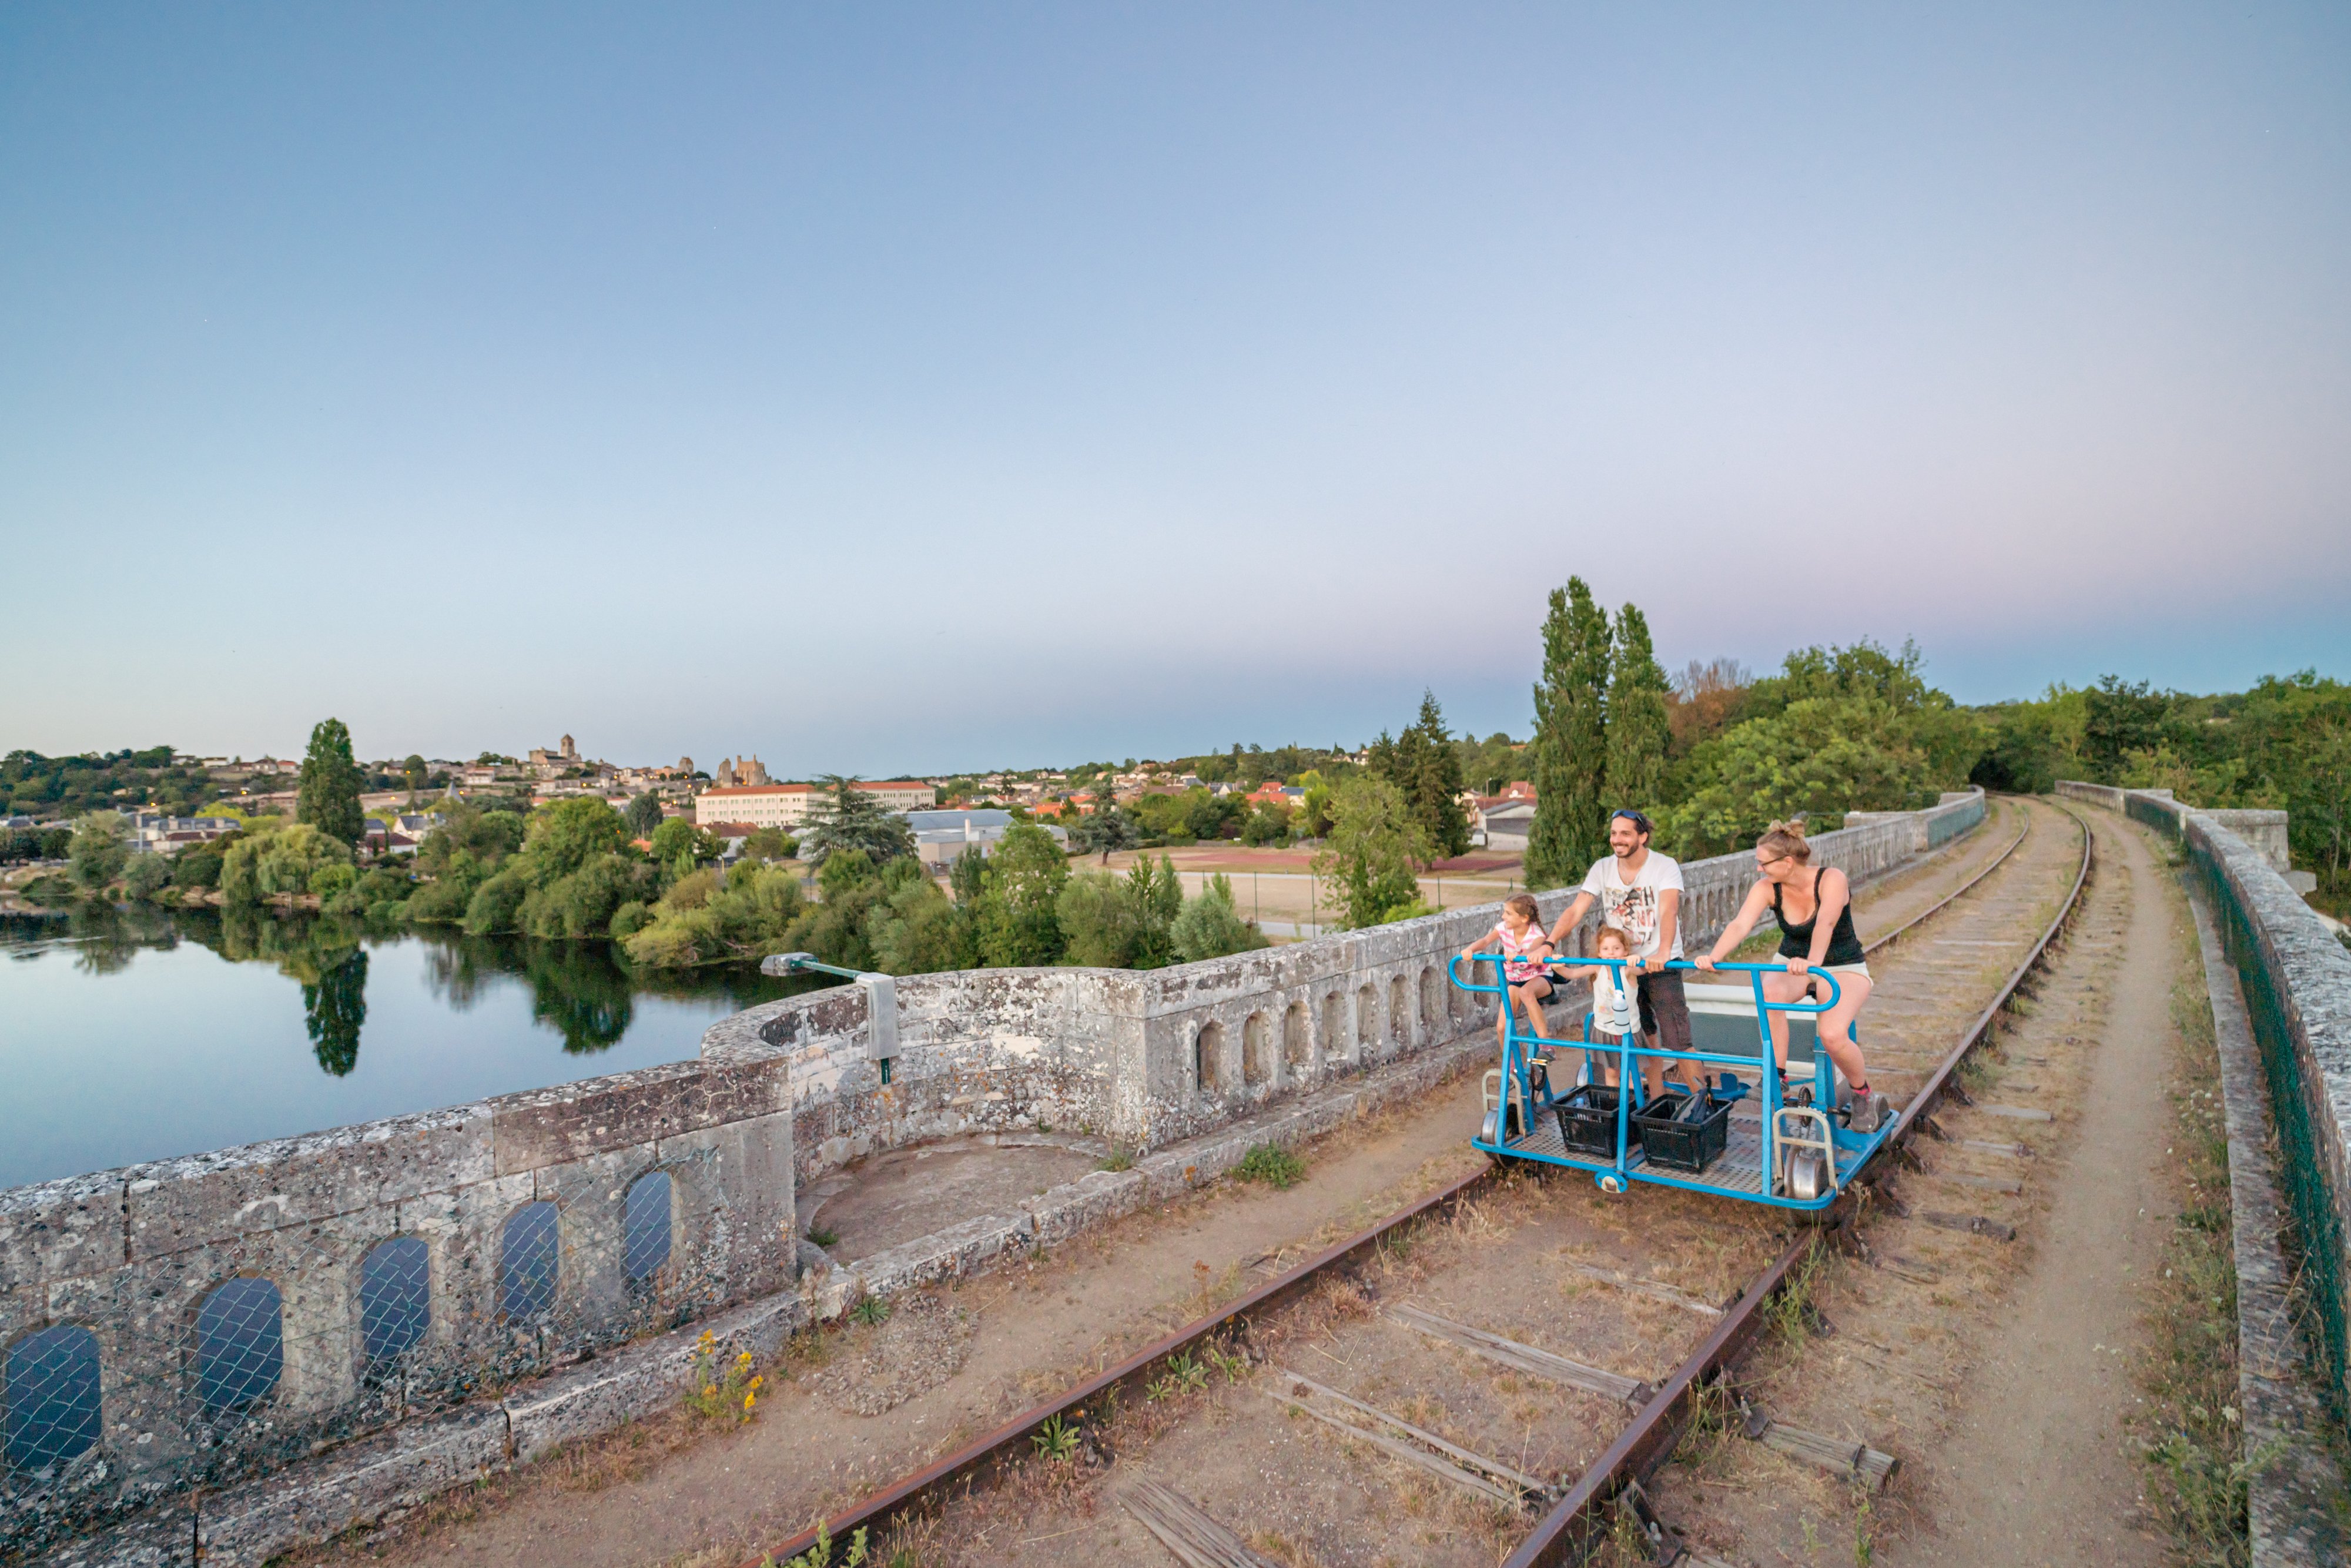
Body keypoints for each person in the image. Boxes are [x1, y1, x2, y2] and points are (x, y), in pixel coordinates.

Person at [1695, 820, 1888, 1133]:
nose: (1759, 870)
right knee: (1768, 995)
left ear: (1787, 863)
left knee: (1833, 1036)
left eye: (1763, 863)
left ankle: (1861, 1092)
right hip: (1792, 962)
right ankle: (1778, 1076)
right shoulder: (1767, 888)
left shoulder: (1831, 879)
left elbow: (1825, 923)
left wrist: (1812, 964)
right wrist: (1715, 956)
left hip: (1841, 963)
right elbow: (1740, 925)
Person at [1547, 809, 1702, 1101]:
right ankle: (1655, 1105)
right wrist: (1549, 942)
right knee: (1645, 1038)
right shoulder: (1603, 868)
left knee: (1679, 1040)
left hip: (1659, 963)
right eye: (1614, 833)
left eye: (1625, 833)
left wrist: (1663, 952)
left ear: (1642, 837)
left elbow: (1669, 909)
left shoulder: (1664, 866)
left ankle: (1701, 1103)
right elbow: (1576, 910)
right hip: (1621, 966)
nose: (1617, 840)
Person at [1461, 892, 1555, 1059]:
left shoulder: (1537, 934)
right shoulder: (1504, 928)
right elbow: (1485, 941)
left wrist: (1520, 954)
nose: (1504, 916)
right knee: (1502, 1027)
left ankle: (1546, 1045)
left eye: (1509, 913)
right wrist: (1470, 950)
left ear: (1524, 918)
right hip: (1517, 981)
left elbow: (1533, 949)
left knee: (1527, 993)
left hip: (1539, 978)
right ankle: (1511, 1066)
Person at [1570, 925, 1642, 1088]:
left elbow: (1643, 969)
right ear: (1600, 953)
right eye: (1606, 949)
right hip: (1605, 1030)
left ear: (1625, 951)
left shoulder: (1628, 971)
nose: (1611, 953)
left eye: (1616, 948)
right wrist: (1557, 965)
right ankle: (1615, 1105)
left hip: (1628, 1029)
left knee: (1631, 1072)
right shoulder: (1598, 968)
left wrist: (1637, 958)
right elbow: (1572, 974)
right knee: (1611, 1072)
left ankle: (1633, 1107)